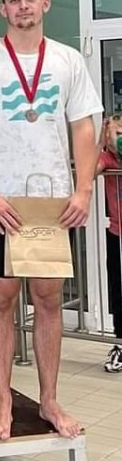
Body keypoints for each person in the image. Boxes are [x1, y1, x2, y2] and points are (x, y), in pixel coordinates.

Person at [0, 0, 101, 440]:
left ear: (45, 4)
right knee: (2, 297)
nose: (23, 6)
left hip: (51, 201)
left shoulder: (67, 60)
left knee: (48, 298)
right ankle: (3, 399)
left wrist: (82, 189)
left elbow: (84, 127)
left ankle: (50, 399)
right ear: (3, 9)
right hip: (2, 201)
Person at [96, 115, 122, 372]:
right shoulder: (107, 159)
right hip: (117, 234)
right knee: (118, 290)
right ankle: (120, 342)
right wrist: (101, 141)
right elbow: (90, 168)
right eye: (116, 133)